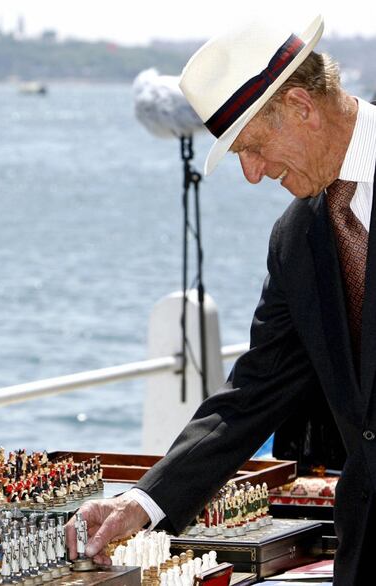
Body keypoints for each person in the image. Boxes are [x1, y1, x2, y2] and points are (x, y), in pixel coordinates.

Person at [66, 14, 376, 586]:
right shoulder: (295, 238)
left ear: (302, 107)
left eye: (251, 148)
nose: (253, 176)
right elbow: (253, 392)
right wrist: (143, 503)